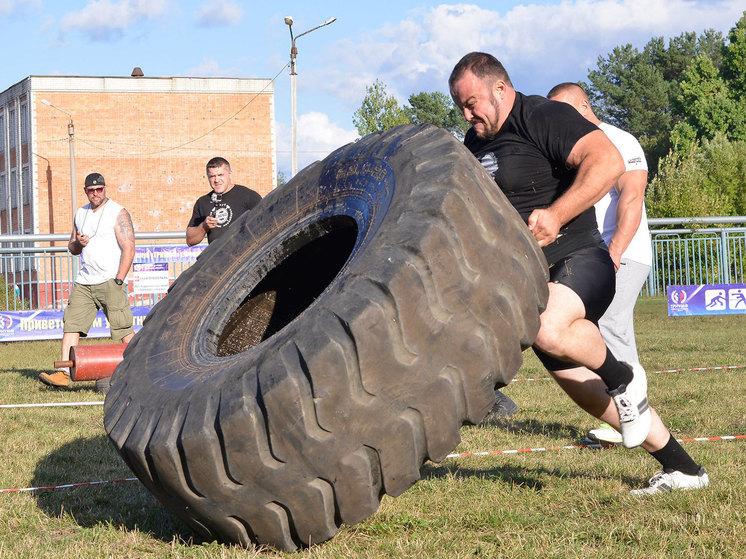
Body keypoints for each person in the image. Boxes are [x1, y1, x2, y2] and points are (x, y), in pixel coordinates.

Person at [449, 52, 708, 494]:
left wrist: (556, 213)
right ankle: (682, 468)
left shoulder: (544, 115)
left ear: (499, 88)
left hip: (583, 259)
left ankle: (623, 376)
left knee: (549, 328)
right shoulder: (476, 146)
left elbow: (607, 163)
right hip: (533, 279)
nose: (468, 115)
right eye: (461, 108)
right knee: (588, 394)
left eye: (472, 103)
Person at [547, 82, 651, 446]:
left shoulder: (618, 140)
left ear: (583, 106)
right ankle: (623, 410)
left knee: (608, 322)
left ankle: (631, 411)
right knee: (583, 327)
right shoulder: (568, 147)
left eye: (560, 112)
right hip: (592, 256)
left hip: (623, 253)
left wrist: (616, 251)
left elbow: (632, 196)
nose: (553, 121)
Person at [39, 173, 136, 388]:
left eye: (99, 189)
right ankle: (63, 372)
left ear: (105, 189)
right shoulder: (80, 214)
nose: (95, 193)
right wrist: (79, 244)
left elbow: (129, 247)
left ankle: (141, 369)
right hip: (84, 282)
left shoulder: (117, 212)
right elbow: (72, 247)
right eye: (91, 190)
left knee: (123, 329)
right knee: (71, 324)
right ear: (85, 191)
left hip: (111, 280)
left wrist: (119, 279)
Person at [186, 157, 262, 246]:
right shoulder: (203, 202)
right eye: (212, 176)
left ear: (230, 174)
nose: (216, 180)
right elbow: (190, 240)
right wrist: (204, 226)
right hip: (219, 258)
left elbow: (266, 225)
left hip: (246, 255)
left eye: (220, 175)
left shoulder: (248, 196)